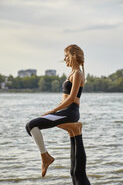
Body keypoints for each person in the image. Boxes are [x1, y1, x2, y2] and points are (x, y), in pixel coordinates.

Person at [25, 44, 85, 177]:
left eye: (66, 56)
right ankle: (45, 156)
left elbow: (71, 99)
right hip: (65, 111)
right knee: (30, 127)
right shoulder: (72, 73)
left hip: (71, 112)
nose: (65, 60)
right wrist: (52, 111)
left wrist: (52, 111)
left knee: (31, 124)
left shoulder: (78, 74)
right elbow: (64, 100)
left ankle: (45, 158)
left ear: (74, 56)